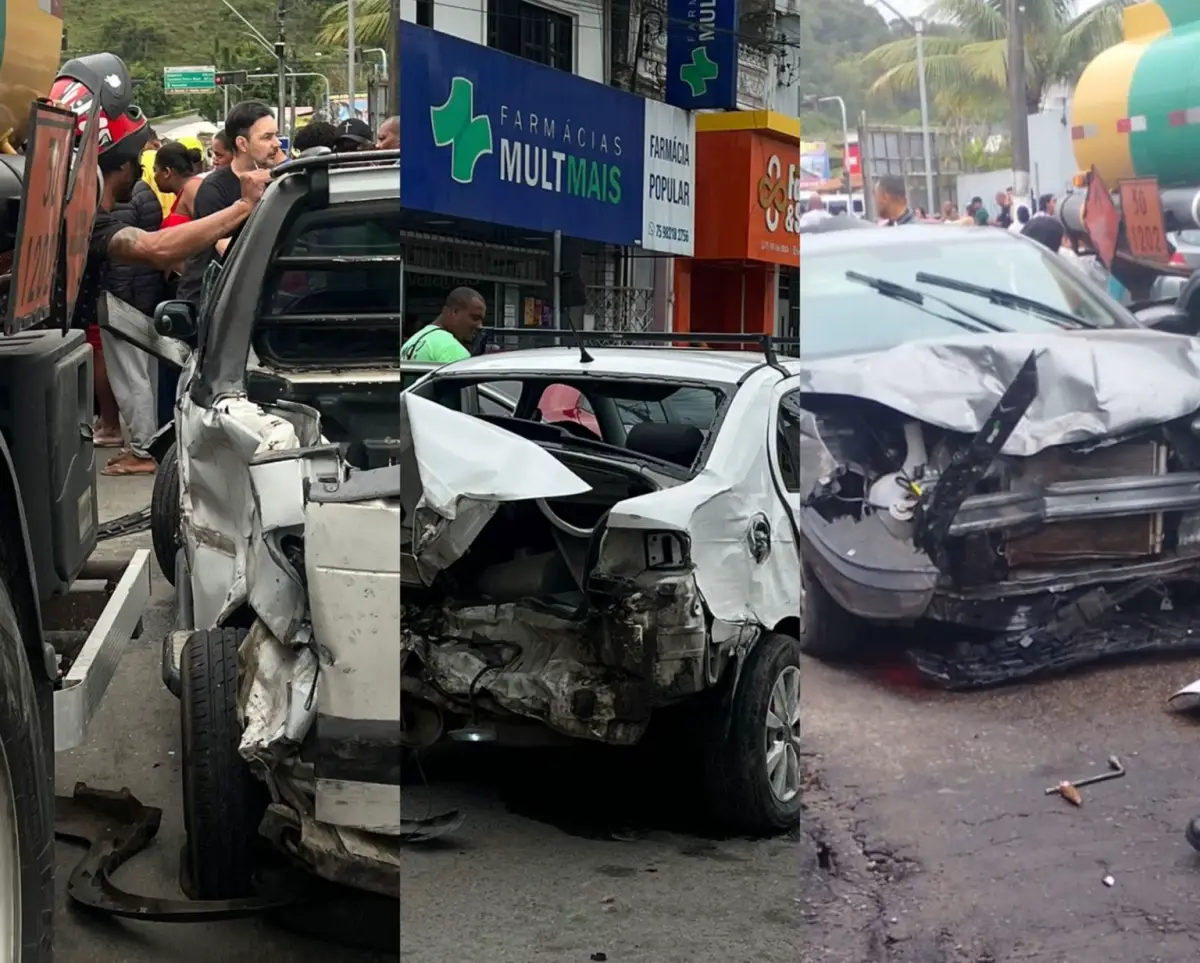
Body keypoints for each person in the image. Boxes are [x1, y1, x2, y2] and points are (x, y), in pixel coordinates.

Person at [176, 101, 284, 305]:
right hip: (209, 302)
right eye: (267, 137)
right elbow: (226, 248)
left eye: (276, 135)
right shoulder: (213, 188)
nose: (277, 143)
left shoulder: (276, 180)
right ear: (242, 144)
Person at [102, 175, 166, 475]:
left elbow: (121, 260)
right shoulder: (145, 192)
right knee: (145, 376)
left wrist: (116, 301)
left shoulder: (122, 198)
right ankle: (146, 444)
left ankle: (143, 450)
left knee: (131, 379)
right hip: (147, 296)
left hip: (126, 300)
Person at [400, 288, 486, 363]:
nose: (480, 326)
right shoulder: (450, 348)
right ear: (455, 312)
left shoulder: (411, 342)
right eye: (475, 318)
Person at [154, 140, 205, 228]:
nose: (154, 176)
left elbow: (208, 228)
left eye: (155, 170)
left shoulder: (192, 189)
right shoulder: (187, 190)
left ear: (167, 172)